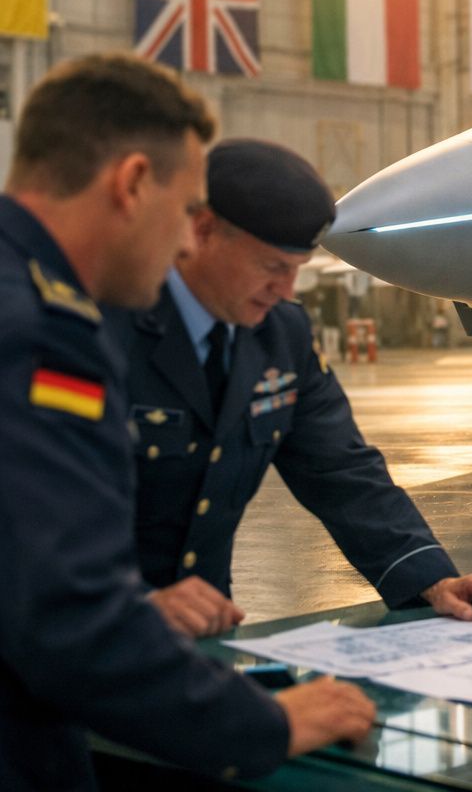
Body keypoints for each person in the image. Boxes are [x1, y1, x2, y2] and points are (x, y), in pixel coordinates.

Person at [0, 54, 373, 789]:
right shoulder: (44, 334)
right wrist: (272, 723)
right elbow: (69, 620)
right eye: (183, 212)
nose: (181, 244)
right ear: (133, 183)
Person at [107, 138, 472, 639]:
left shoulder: (281, 337)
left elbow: (341, 471)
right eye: (272, 267)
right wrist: (133, 605)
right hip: (78, 636)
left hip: (202, 638)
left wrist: (432, 579)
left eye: (296, 272)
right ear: (203, 231)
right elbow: (35, 510)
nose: (285, 292)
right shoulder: (102, 327)